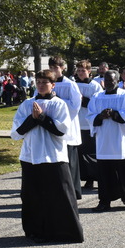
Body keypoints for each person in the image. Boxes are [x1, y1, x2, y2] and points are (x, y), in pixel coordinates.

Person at [10, 70, 84, 243]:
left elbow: (61, 130)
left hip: (53, 156)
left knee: (60, 195)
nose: (41, 85)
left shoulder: (59, 104)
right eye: (39, 82)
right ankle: (36, 230)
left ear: (53, 85)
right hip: (31, 156)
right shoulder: (27, 104)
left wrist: (42, 118)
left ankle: (65, 231)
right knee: (33, 196)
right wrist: (33, 119)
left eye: (45, 82)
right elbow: (16, 131)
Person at [87, 70, 125, 211]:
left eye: (112, 80)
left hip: (122, 141)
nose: (109, 83)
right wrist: (100, 116)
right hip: (104, 142)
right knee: (105, 175)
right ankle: (104, 202)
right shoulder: (97, 97)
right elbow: (90, 116)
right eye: (107, 80)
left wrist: (114, 114)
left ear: (118, 81)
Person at [48, 56, 83, 199]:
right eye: (51, 68)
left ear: (62, 68)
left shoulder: (70, 84)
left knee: (70, 162)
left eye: (55, 68)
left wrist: (58, 100)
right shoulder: (47, 83)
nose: (53, 70)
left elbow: (75, 106)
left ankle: (73, 191)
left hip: (68, 127)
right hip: (52, 127)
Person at [75, 60, 103, 189]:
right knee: (79, 154)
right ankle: (84, 177)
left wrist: (83, 100)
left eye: (83, 70)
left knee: (90, 153)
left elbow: (98, 104)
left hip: (88, 123)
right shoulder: (73, 85)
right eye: (79, 70)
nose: (81, 73)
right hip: (76, 123)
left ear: (89, 71)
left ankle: (94, 178)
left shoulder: (95, 86)